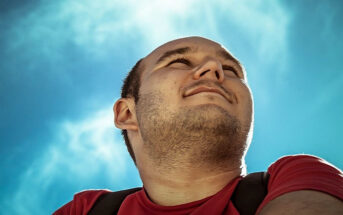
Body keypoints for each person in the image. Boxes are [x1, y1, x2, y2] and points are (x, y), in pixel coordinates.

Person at [54, 36, 343, 215]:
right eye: (179, 61)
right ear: (127, 114)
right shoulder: (87, 210)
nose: (215, 70)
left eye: (230, 70)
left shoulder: (299, 176)